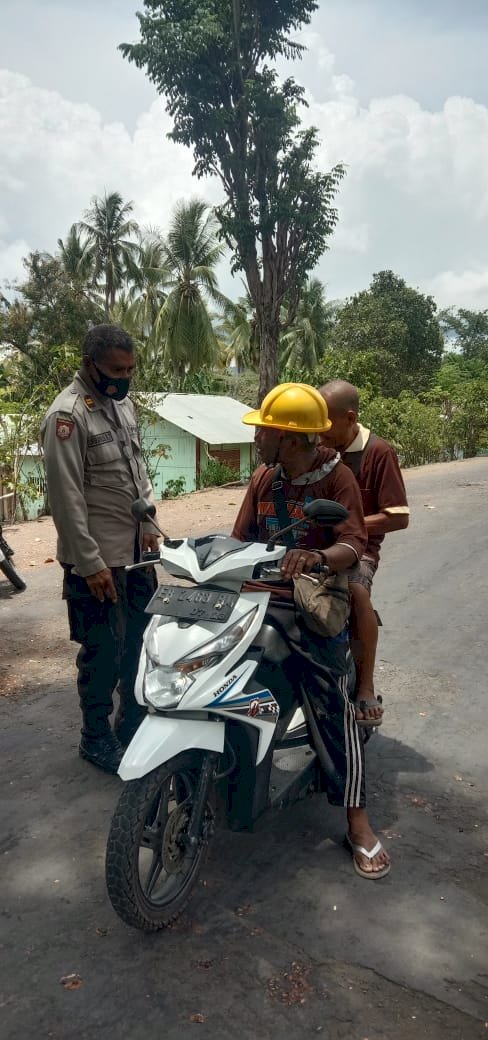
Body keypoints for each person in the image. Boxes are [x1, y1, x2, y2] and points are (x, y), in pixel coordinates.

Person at [232, 383, 390, 879]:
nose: (257, 437)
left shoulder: (338, 479)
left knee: (330, 705)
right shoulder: (263, 477)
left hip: (312, 607)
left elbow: (353, 542)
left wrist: (319, 557)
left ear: (292, 439)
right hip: (262, 600)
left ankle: (358, 818)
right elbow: (238, 540)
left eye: (266, 430)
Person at [40, 324, 159, 774]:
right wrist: (90, 565)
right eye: (116, 369)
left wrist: (149, 525)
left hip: (135, 555)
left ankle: (131, 726)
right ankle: (96, 737)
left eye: (130, 369)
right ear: (90, 363)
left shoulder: (120, 404)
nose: (124, 377)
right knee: (102, 654)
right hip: (97, 564)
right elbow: (66, 500)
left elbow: (137, 470)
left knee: (140, 647)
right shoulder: (67, 416)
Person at [319, 380, 410, 727]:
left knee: (356, 591)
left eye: (326, 422)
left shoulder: (378, 452)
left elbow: (398, 516)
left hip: (360, 551)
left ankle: (366, 687)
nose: (320, 431)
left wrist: (351, 527)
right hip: (316, 544)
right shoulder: (320, 449)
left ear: (350, 418)